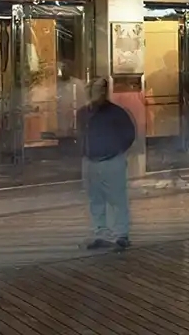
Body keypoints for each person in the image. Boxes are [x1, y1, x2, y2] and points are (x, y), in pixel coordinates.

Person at [79, 78, 136, 250]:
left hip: (111, 160)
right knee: (95, 199)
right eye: (92, 89)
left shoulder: (116, 112)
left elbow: (129, 134)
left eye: (99, 89)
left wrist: (115, 150)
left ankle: (121, 234)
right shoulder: (83, 112)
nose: (96, 93)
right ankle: (100, 233)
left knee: (117, 198)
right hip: (90, 160)